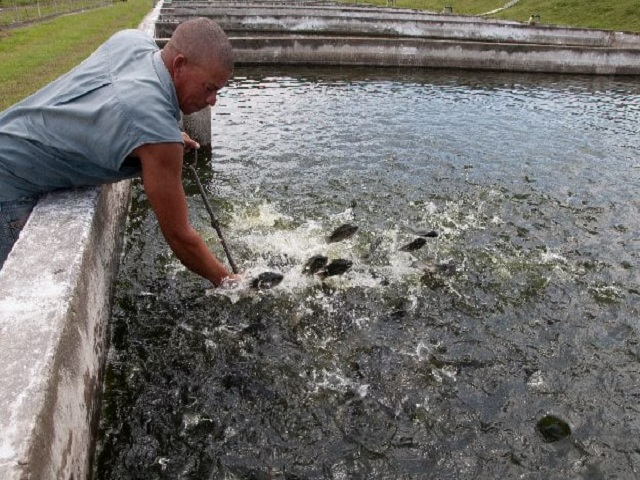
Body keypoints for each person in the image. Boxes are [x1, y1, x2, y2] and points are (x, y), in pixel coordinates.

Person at [0, 17, 239, 287]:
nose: (212, 101)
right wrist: (230, 282)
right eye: (209, 88)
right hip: (8, 189)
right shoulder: (156, 133)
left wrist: (166, 135)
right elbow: (180, 237)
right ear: (180, 65)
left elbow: (119, 106)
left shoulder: (130, 41)